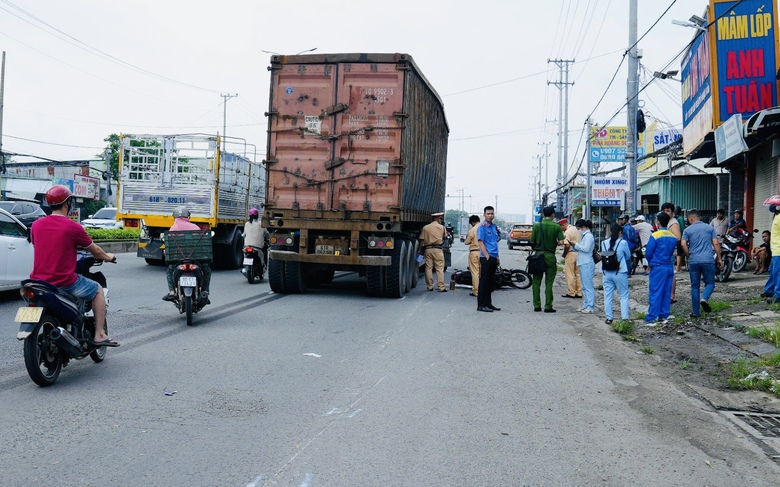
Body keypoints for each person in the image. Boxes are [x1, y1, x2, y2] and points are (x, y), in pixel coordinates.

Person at [29, 185, 118, 347]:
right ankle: (99, 334)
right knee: (97, 290)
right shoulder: (73, 227)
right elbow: (96, 251)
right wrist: (108, 257)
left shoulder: (36, 225)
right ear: (67, 203)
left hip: (38, 281)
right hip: (64, 281)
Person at [163, 206, 212, 303]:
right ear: (188, 216)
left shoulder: (173, 229)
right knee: (207, 271)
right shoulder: (195, 227)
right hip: (196, 259)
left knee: (169, 271)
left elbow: (170, 247)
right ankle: (205, 291)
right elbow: (202, 244)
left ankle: (172, 292)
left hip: (178, 259)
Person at [681, 209, 721, 318]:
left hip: (694, 260)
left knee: (695, 286)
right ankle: (704, 298)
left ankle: (695, 312)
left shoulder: (687, 230)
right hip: (708, 259)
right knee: (710, 283)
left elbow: (683, 244)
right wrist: (719, 258)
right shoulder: (710, 228)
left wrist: (688, 255)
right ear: (699, 217)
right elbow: (716, 243)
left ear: (691, 219)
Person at [530, 206, 565, 312]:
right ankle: (548, 306)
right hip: (550, 256)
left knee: (536, 282)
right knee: (549, 283)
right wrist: (554, 243)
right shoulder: (556, 227)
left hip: (538, 256)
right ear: (553, 214)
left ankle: (537, 305)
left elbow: (532, 241)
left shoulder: (537, 226)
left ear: (543, 214)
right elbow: (561, 242)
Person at [645, 212, 677, 324]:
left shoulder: (655, 235)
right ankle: (663, 314)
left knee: (655, 291)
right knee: (666, 291)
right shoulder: (673, 236)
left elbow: (649, 253)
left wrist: (650, 263)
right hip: (669, 266)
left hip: (658, 266)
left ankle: (652, 317)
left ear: (658, 222)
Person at [600, 223, 631, 325]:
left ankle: (609, 318)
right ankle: (625, 318)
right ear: (620, 232)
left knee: (608, 295)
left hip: (606, 272)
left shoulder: (604, 243)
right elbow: (628, 256)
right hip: (619, 272)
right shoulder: (623, 243)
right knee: (623, 295)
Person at [567, 219, 596, 314]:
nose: (578, 230)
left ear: (583, 227)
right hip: (583, 263)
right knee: (584, 287)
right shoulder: (585, 236)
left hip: (587, 263)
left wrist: (576, 244)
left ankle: (590, 306)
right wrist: (575, 245)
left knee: (588, 286)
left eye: (578, 228)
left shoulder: (588, 236)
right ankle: (586, 304)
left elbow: (586, 249)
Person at [477, 206, 501, 312]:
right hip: (486, 257)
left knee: (490, 282)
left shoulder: (493, 226)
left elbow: (494, 242)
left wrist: (497, 257)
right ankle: (481, 305)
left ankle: (488, 303)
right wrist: (487, 255)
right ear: (484, 215)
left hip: (494, 256)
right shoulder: (482, 227)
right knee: (484, 282)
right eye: (488, 214)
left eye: (492, 213)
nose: (490, 215)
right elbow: (480, 242)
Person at [418, 212, 448, 292]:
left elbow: (422, 240)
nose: (441, 221)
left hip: (428, 249)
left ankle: (430, 286)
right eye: (440, 219)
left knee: (428, 268)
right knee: (439, 268)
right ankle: (441, 287)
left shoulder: (426, 228)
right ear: (438, 219)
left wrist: (419, 249)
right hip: (438, 250)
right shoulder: (442, 228)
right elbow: (445, 238)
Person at [661, 202, 681, 302]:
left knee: (670, 274)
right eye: (664, 211)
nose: (666, 213)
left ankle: (672, 296)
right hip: (665, 250)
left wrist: (667, 238)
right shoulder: (666, 221)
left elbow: (678, 237)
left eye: (668, 211)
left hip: (670, 251)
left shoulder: (673, 223)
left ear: (672, 212)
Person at [559, 218, 582, 299]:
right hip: (579, 253)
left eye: (560, 227)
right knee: (578, 274)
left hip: (571, 253)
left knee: (570, 274)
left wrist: (564, 254)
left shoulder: (567, 232)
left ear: (563, 225)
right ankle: (579, 292)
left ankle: (571, 292)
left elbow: (567, 245)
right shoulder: (576, 229)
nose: (561, 229)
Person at [764, 204, 780, 303]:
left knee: (777, 273)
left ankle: (778, 295)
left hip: (778, 250)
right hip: (775, 250)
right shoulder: (776, 217)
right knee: (772, 271)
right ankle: (769, 290)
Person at [463, 214, 482, 297]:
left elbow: (466, 242)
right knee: (483, 273)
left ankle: (476, 291)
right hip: (485, 253)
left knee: (475, 272)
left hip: (474, 252)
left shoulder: (472, 230)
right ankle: (483, 290)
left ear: (473, 222)